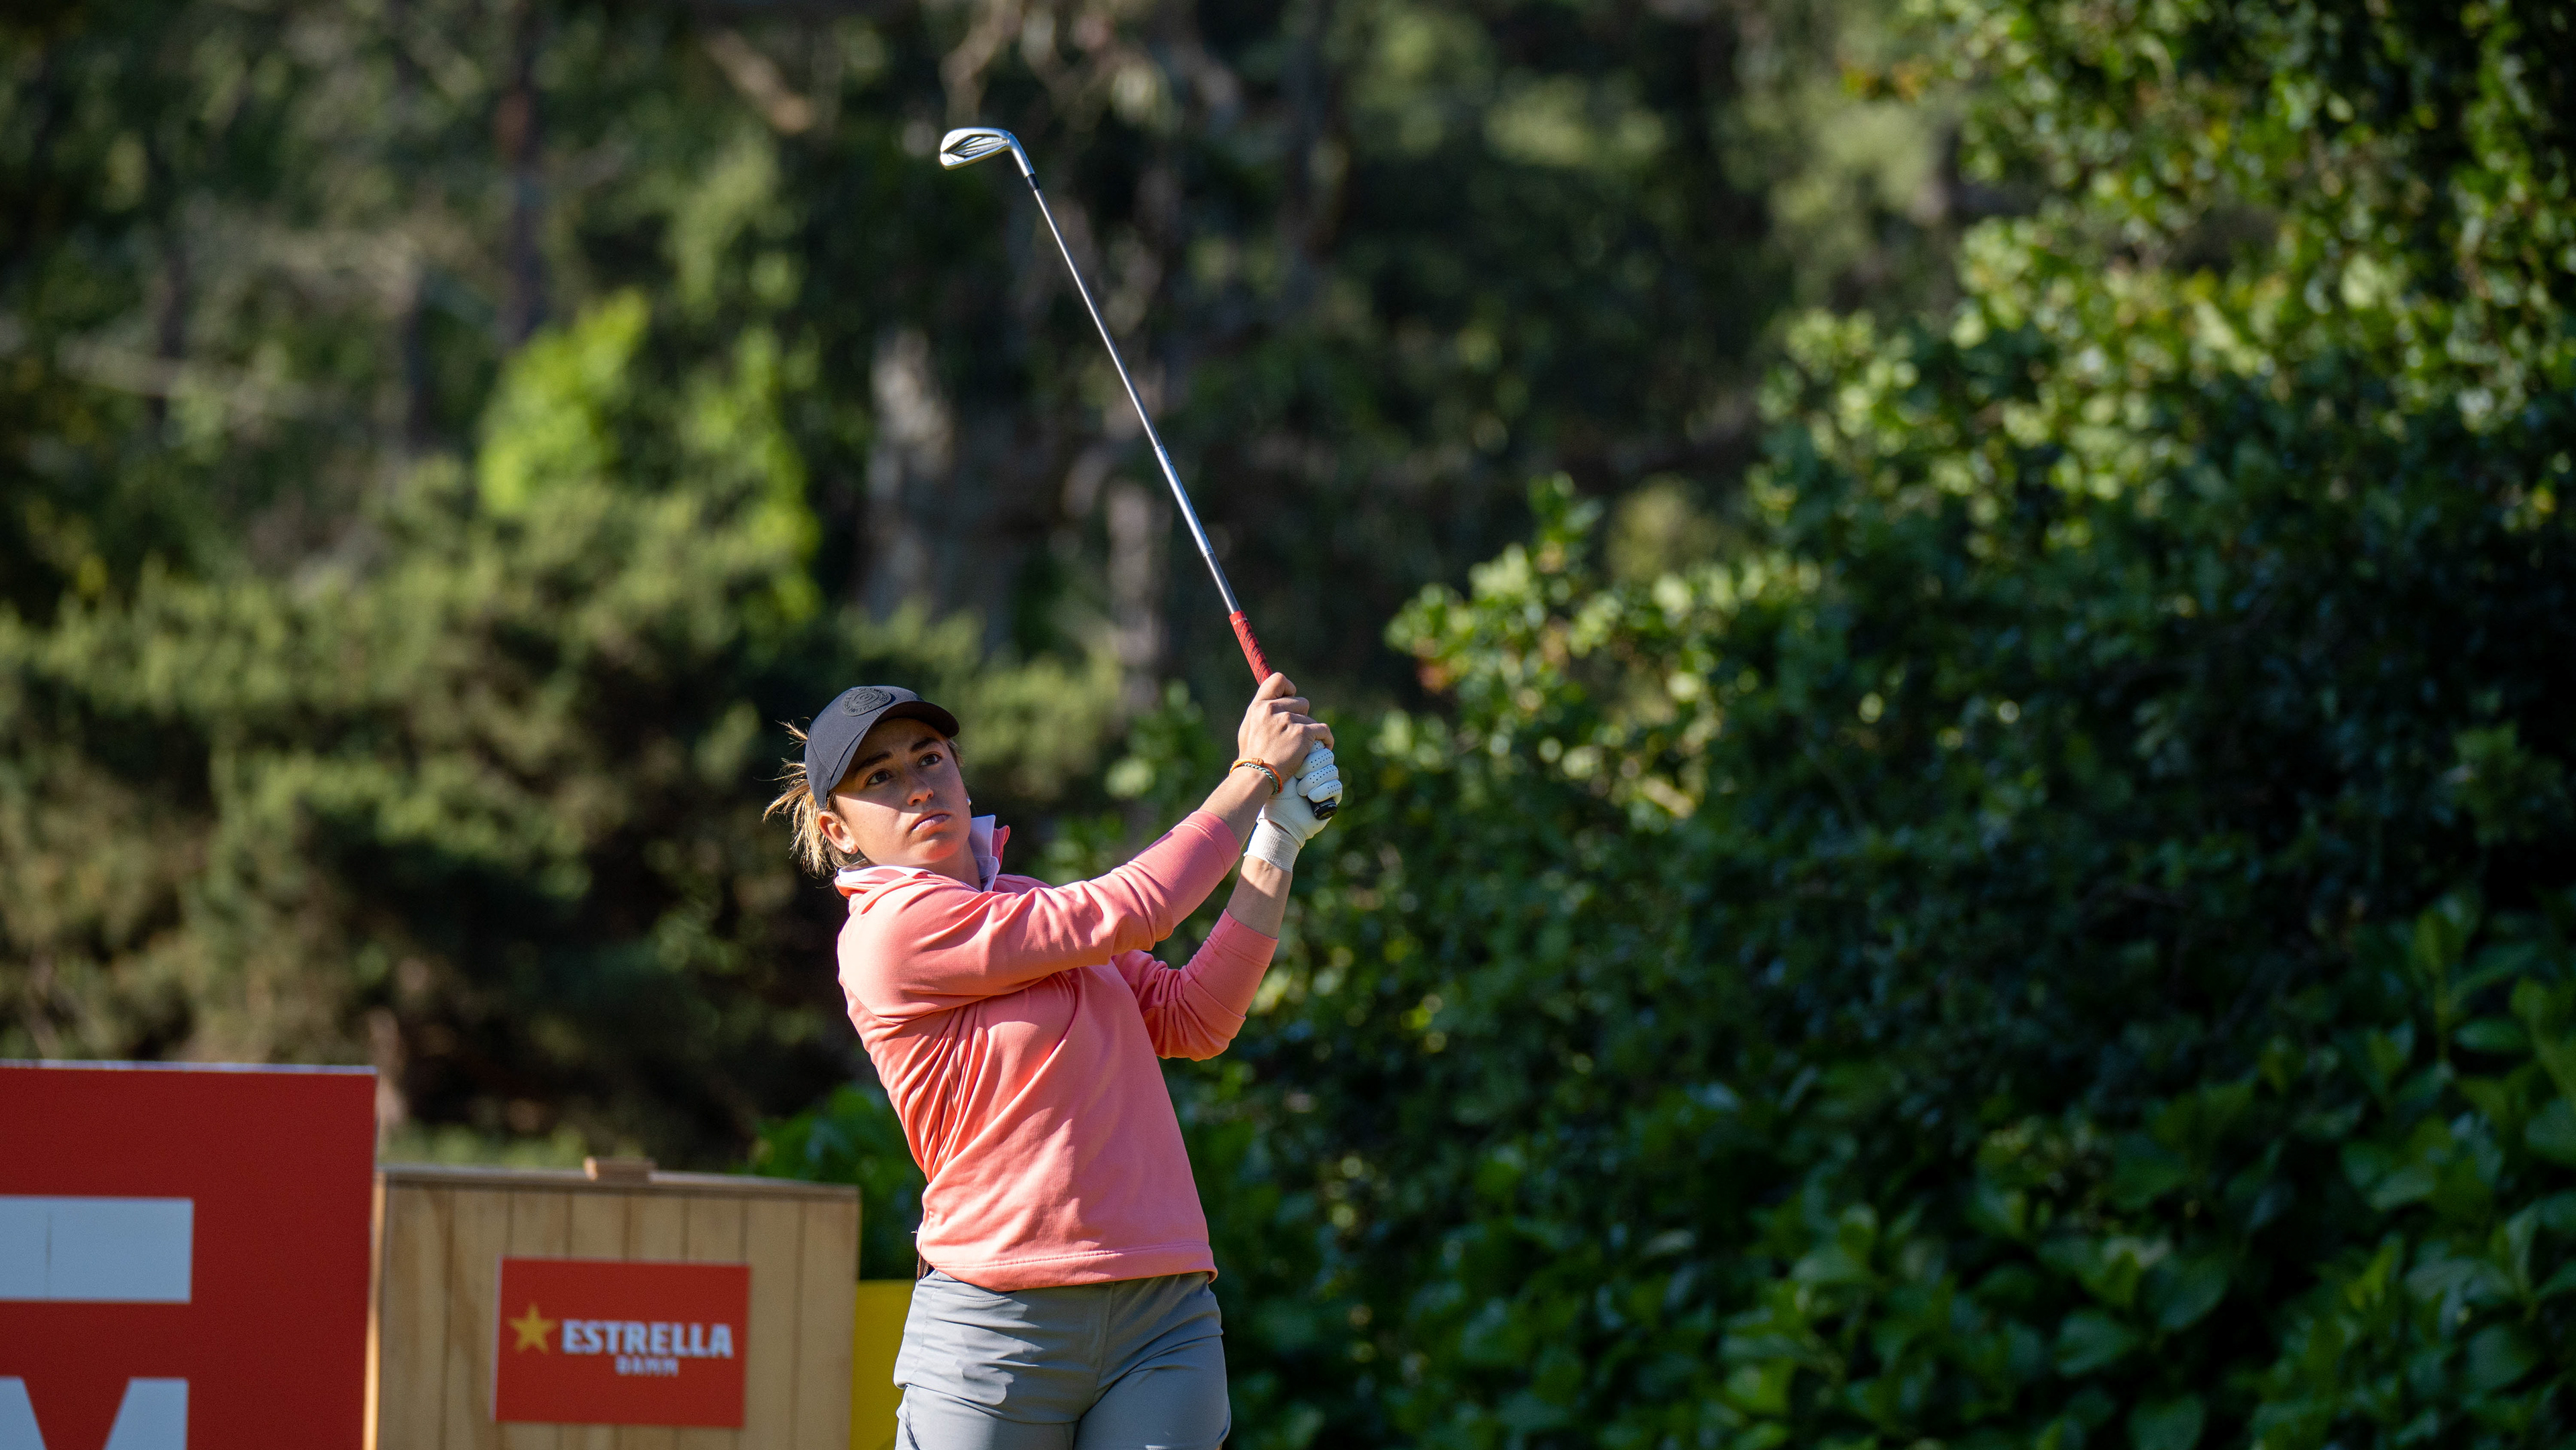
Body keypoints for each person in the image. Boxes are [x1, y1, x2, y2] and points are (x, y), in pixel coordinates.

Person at [764, 675, 1342, 1449]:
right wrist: (1254, 774)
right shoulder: (889, 933)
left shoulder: (1030, 904)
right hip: (995, 1326)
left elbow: (1193, 1017)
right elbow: (1136, 908)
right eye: (880, 778)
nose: (917, 787)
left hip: (1160, 1317)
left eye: (929, 758)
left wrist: (1278, 840)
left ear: (960, 772)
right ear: (838, 830)